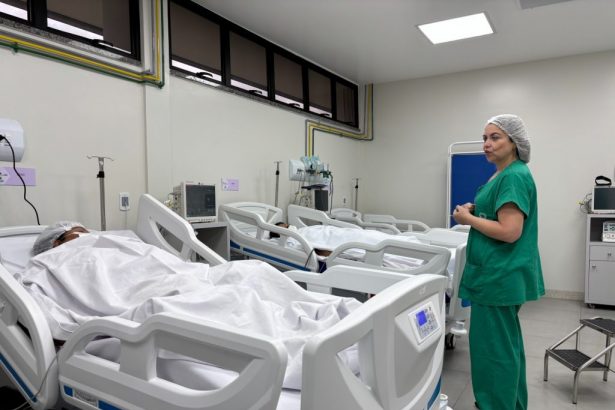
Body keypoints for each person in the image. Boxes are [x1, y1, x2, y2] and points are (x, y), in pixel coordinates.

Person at [452, 114, 544, 410]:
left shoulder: (513, 176)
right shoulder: (506, 174)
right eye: (484, 138)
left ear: (514, 142)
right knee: (506, 347)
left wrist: (467, 219)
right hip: (499, 275)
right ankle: (511, 404)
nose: (486, 144)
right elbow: (501, 214)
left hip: (498, 277)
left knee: (493, 352)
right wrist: (477, 210)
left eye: (495, 137)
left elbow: (510, 231)